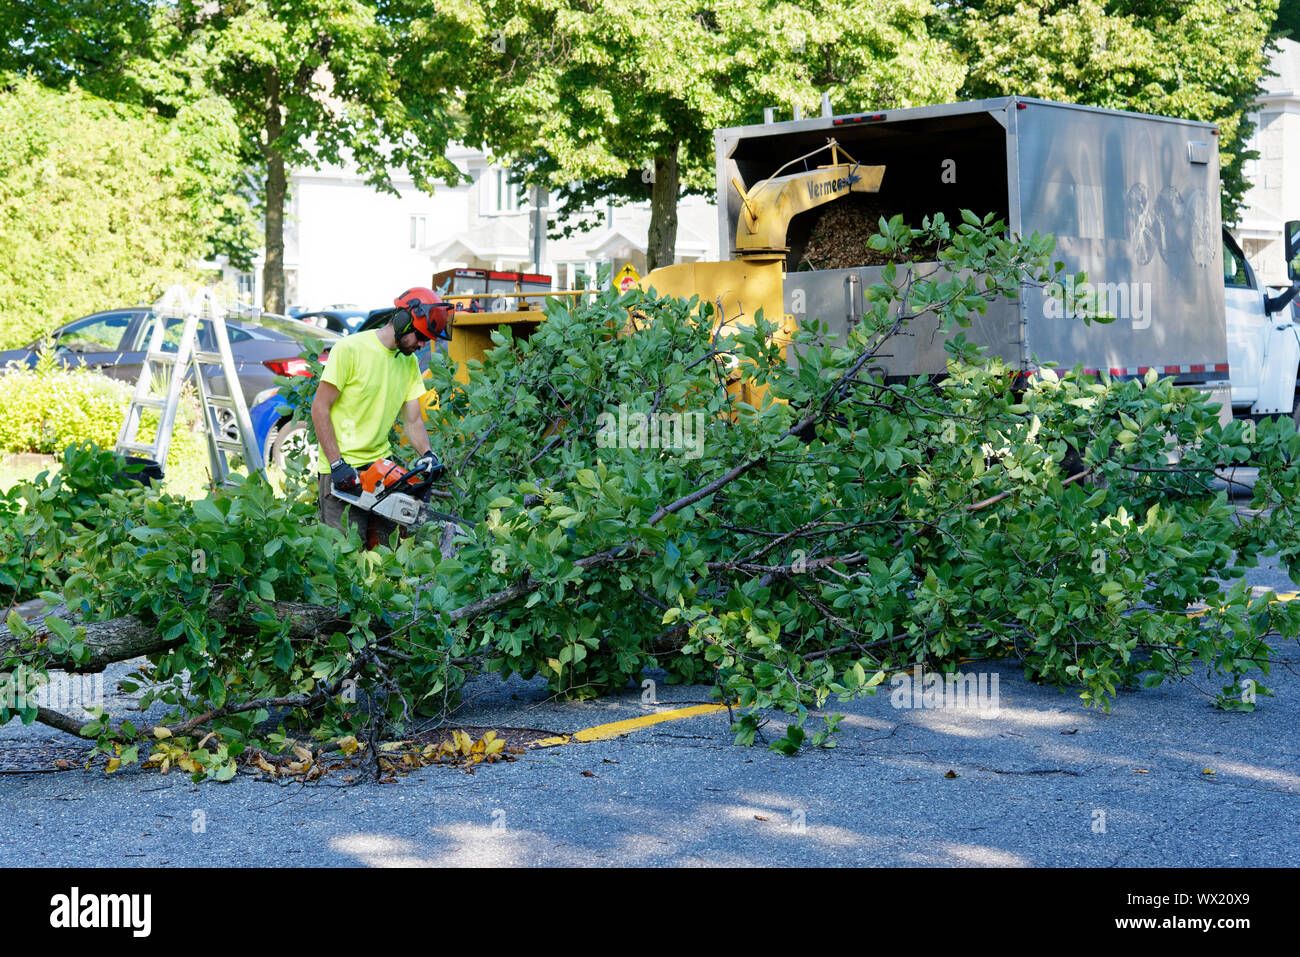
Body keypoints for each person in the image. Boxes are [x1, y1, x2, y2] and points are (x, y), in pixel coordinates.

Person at [311, 286, 450, 546]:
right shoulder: (350, 350)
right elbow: (320, 408)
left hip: (381, 470)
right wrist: (337, 464)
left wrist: (427, 455)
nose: (422, 345)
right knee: (345, 558)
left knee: (388, 555)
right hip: (343, 470)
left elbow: (413, 421)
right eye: (421, 337)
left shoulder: (408, 362)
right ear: (401, 321)